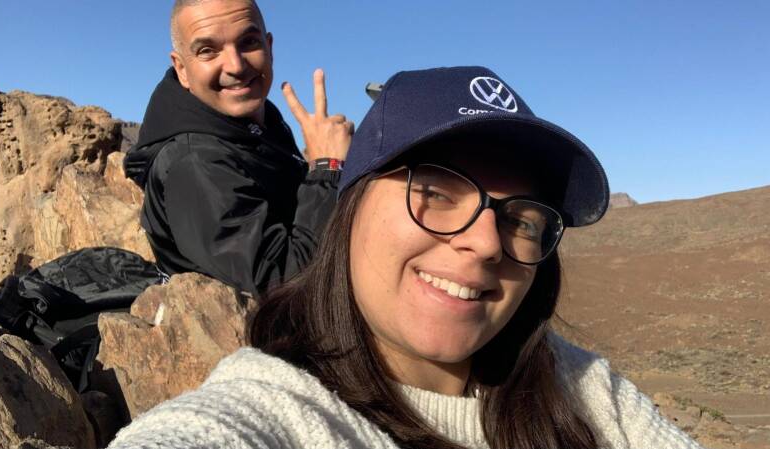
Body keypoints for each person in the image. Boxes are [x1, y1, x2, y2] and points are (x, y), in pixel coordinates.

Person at [108, 67, 704, 449]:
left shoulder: (582, 390)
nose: (487, 243)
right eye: (436, 192)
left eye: (522, 218)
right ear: (349, 209)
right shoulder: (277, 409)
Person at [124, 0, 353, 299]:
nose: (236, 66)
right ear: (182, 68)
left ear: (269, 47)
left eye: (249, 42)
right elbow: (285, 281)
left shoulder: (252, 122)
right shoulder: (195, 161)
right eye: (208, 50)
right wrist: (328, 168)